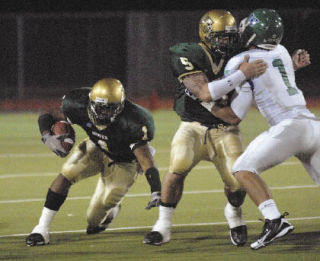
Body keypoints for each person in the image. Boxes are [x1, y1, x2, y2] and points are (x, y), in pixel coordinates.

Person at [143, 9, 268, 246]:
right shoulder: (187, 53)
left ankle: (234, 213)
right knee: (177, 167)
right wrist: (240, 74)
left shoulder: (241, 55)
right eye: (221, 36)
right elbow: (202, 92)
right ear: (206, 34)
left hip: (224, 129)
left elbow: (267, 69)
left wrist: (291, 64)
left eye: (230, 36)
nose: (226, 41)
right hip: (192, 125)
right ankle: (163, 226)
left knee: (238, 181)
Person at [202, 9, 312, 250]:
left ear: (253, 33)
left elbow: (211, 94)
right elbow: (242, 108)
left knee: (241, 168)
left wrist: (209, 99)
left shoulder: (240, 62)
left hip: (288, 128)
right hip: (312, 125)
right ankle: (274, 221)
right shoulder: (282, 52)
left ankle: (274, 220)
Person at [26, 78, 162, 246]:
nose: (103, 113)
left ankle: (111, 210)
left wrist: (156, 189)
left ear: (120, 106)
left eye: (109, 109)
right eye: (100, 107)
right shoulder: (77, 103)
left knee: (93, 222)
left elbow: (146, 159)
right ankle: (41, 228)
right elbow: (49, 113)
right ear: (90, 101)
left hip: (125, 162)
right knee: (67, 173)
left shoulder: (134, 121)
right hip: (96, 147)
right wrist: (47, 135)